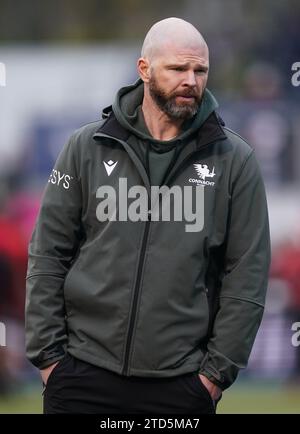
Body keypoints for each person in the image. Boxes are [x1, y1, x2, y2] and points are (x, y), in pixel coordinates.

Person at [25, 17, 271, 414]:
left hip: (180, 385)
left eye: (200, 70)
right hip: (81, 377)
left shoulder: (235, 160)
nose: (190, 80)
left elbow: (248, 274)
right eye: (178, 68)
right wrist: (49, 359)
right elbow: (48, 254)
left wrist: (213, 377)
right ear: (144, 70)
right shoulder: (85, 147)